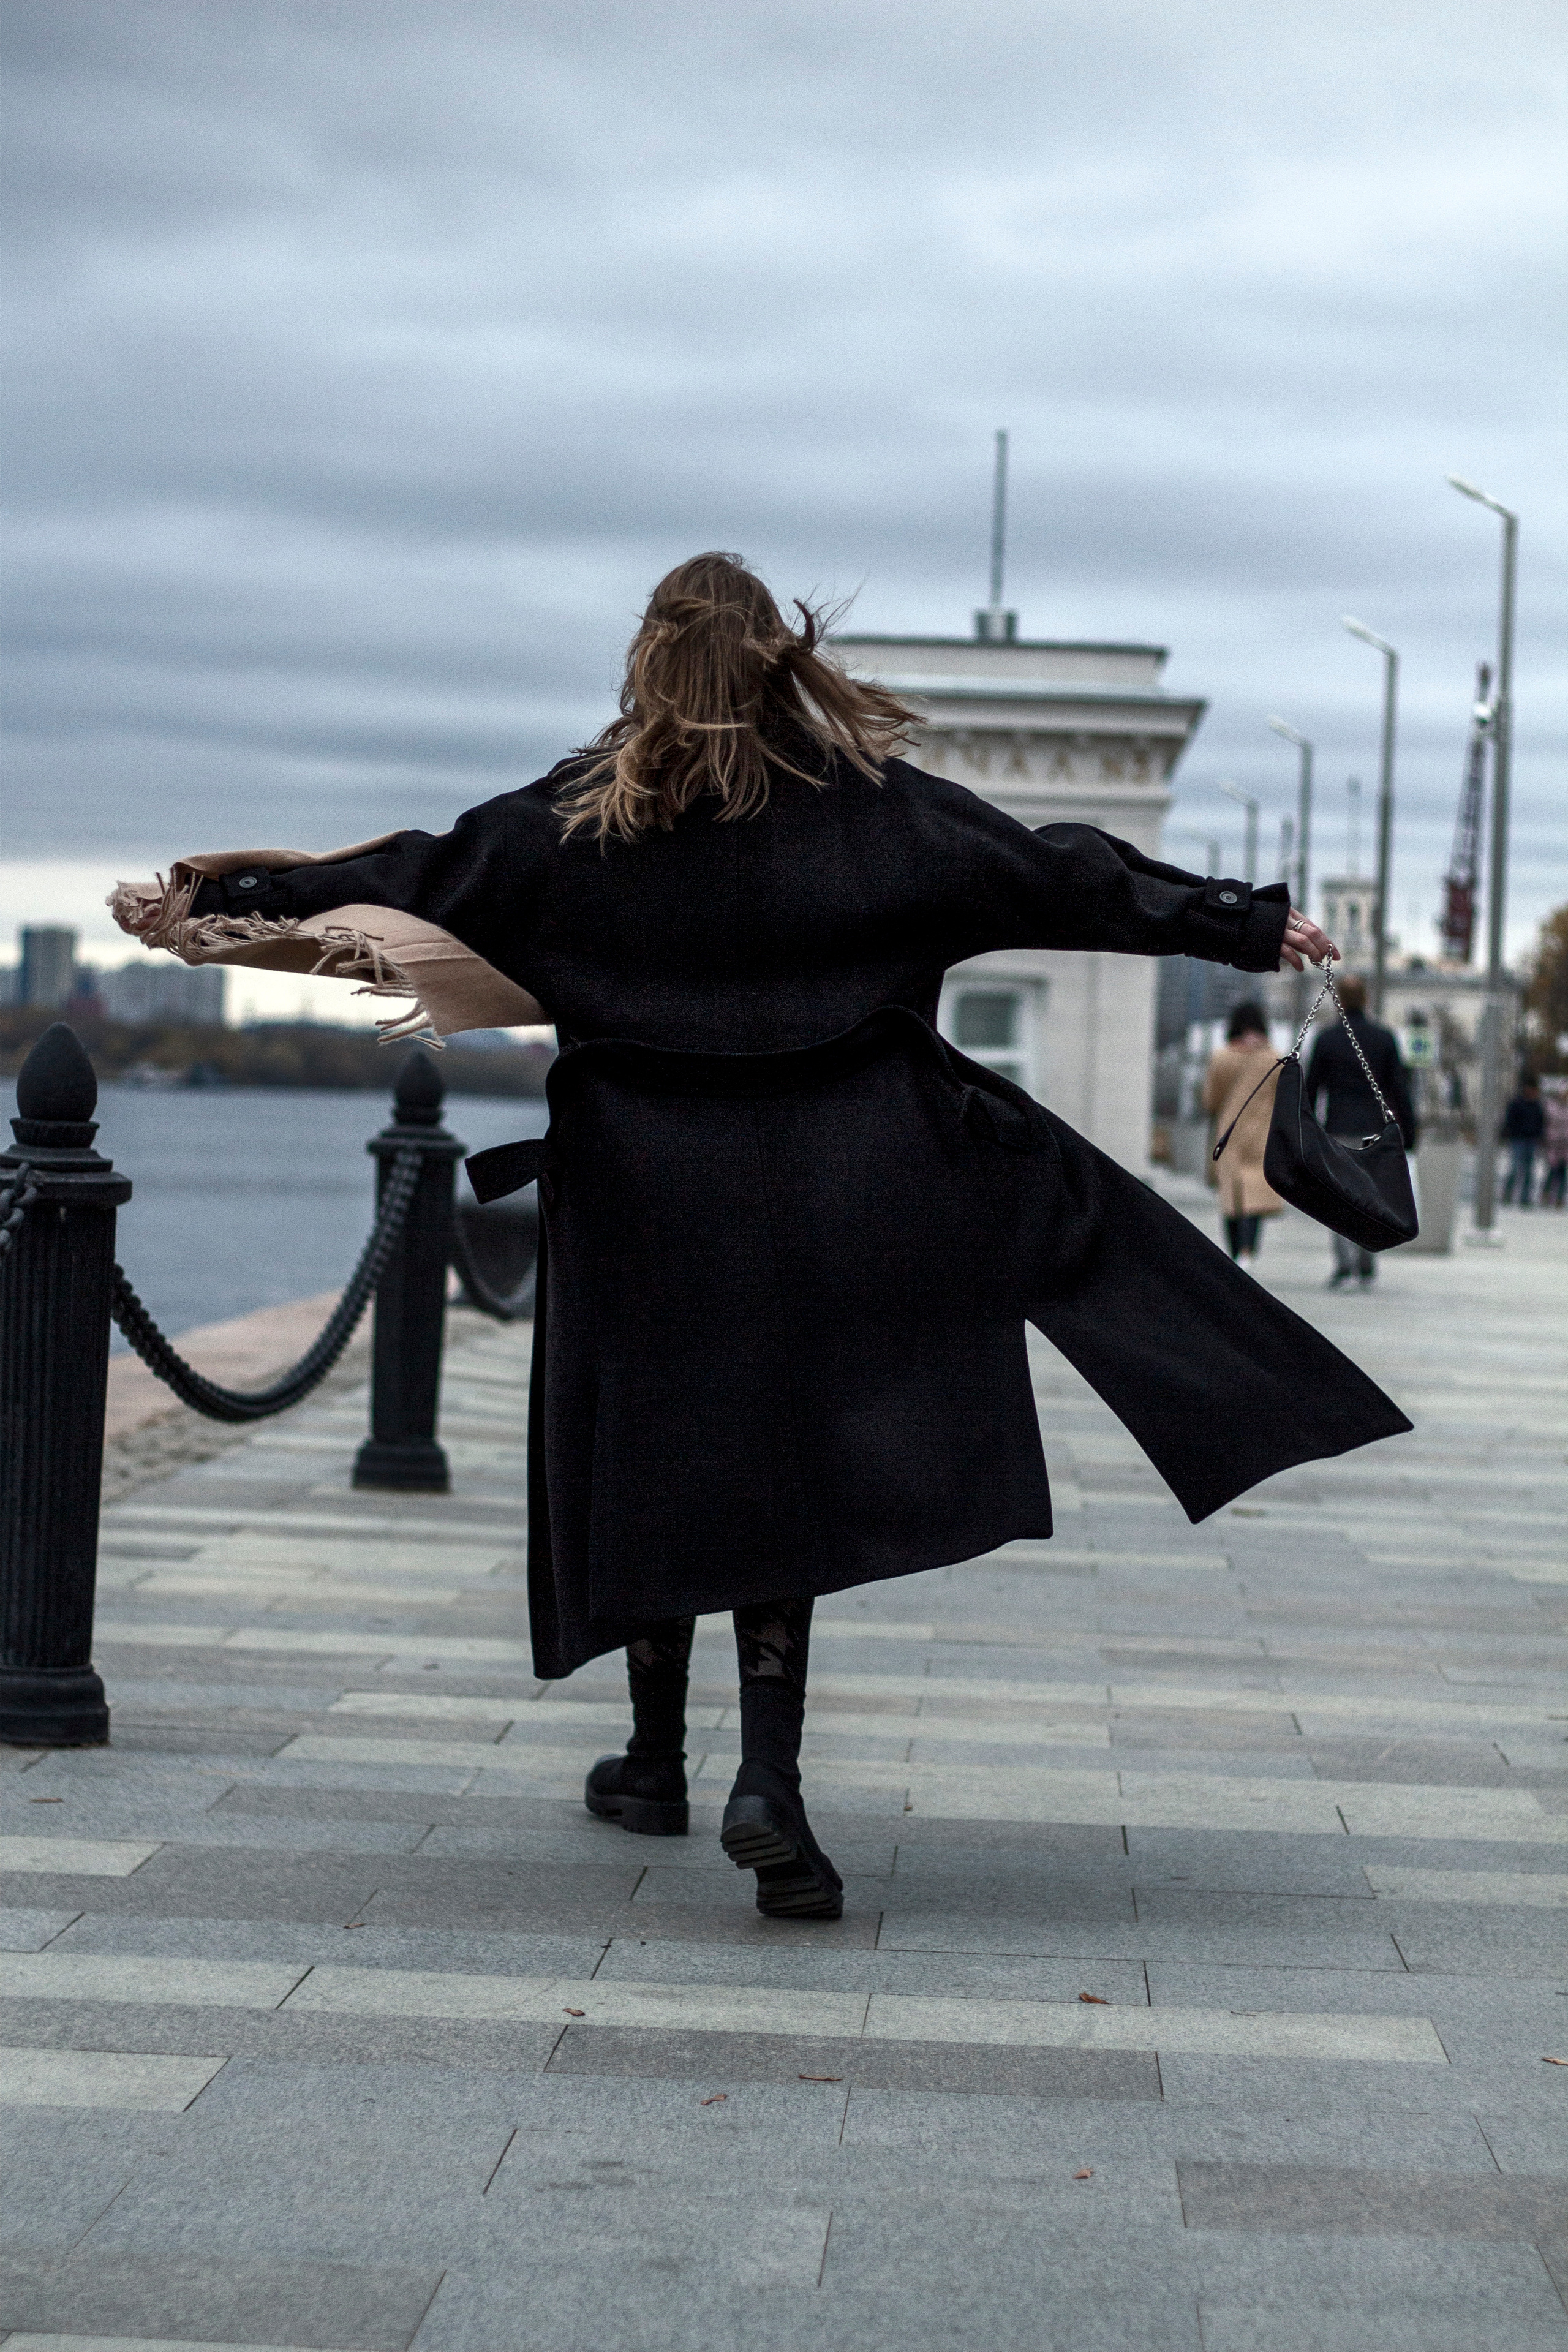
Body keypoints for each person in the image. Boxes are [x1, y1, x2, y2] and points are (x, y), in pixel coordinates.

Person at [110, 552, 1410, 1921]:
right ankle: (765, 1781)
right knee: (782, 1466)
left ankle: (656, 1760)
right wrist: (1240, 919)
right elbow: (1057, 876)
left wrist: (214, 896)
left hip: (639, 1196)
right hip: (841, 1192)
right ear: (782, 659)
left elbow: (403, 874)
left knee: (660, 1450)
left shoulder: (567, 823)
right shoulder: (877, 814)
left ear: (648, 663)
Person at [1303, 971, 1417, 1289]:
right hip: (1375, 1130)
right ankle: (1367, 1261)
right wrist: (1408, 1131)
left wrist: (1309, 1128)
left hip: (1338, 1128)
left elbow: (1312, 1089)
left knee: (1340, 1198)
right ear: (1366, 998)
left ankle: (1344, 1265)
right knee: (1371, 1196)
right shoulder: (1384, 1038)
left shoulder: (1327, 1039)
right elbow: (1398, 1089)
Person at [1203, 1002, 1283, 1264]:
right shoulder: (1274, 1058)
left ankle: (1235, 1251)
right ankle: (1249, 1250)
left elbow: (1210, 1101)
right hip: (1262, 1131)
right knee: (1255, 1192)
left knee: (1231, 1194)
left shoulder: (1222, 1057)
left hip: (1229, 1133)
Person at [1501, 1076, 1546, 1207]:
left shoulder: (1536, 1105)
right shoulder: (1517, 1103)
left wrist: (1538, 1136)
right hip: (1518, 1141)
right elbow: (1510, 1122)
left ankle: (1525, 1197)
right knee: (1515, 1168)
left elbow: (1540, 1122)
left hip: (1531, 1142)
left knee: (1529, 1170)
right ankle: (1508, 1194)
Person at [1540, 1087, 1568, 1210]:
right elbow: (1549, 1122)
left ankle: (1559, 1199)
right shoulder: (1551, 1107)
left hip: (1565, 1145)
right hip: (1553, 1143)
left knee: (1563, 1172)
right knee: (1553, 1170)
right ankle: (1546, 1194)